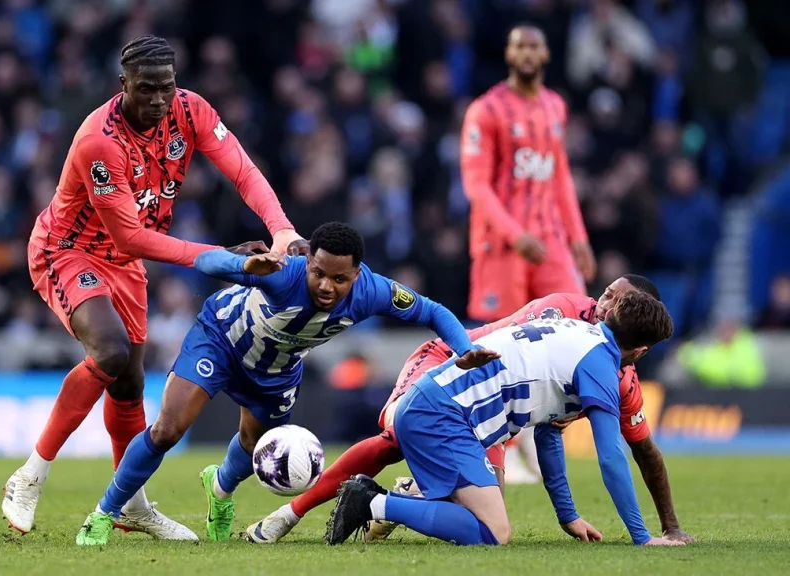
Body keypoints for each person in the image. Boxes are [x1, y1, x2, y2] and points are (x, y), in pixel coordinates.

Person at [0, 36, 307, 539]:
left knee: (129, 384)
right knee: (112, 353)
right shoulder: (100, 139)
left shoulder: (191, 111)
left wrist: (281, 229)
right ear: (123, 86)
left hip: (127, 262)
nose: (159, 100)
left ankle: (130, 505)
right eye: (146, 89)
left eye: (167, 87)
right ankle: (30, 475)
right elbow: (129, 235)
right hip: (69, 249)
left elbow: (243, 172)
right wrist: (222, 260)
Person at [73, 222, 499, 545]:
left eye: (339, 279)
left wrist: (462, 348)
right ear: (308, 261)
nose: (326, 286)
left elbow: (435, 312)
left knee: (250, 442)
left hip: (276, 371)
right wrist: (242, 264)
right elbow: (204, 263)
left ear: (357, 275)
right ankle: (104, 513)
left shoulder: (374, 292)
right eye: (319, 273)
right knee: (168, 429)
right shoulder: (281, 273)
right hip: (221, 339)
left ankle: (219, 489)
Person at [249, 275, 695, 544]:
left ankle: (405, 495)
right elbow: (609, 453)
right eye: (607, 294)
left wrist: (567, 515)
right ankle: (330, 507)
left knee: (480, 508)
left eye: (615, 300)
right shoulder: (570, 322)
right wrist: (642, 538)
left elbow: (547, 426)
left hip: (468, 406)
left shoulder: (598, 354)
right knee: (480, 518)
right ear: (640, 345)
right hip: (450, 367)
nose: (603, 302)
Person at [462, 23, 598, 479]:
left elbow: (559, 178)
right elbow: (476, 185)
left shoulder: (556, 106)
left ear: (544, 54)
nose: (526, 52)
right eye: (518, 44)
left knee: (574, 326)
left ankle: (541, 442)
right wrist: (513, 232)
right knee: (501, 340)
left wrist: (578, 238)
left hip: (551, 241)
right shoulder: (486, 110)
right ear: (508, 52)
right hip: (504, 244)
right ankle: (501, 445)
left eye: (533, 45)